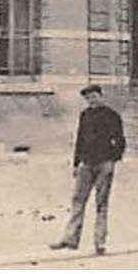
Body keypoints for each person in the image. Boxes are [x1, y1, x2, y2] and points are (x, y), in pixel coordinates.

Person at [49, 83, 126, 255]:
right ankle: (70, 239)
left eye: (94, 97)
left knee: (101, 204)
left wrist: (112, 159)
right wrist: (76, 163)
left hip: (104, 164)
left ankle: (100, 243)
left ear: (101, 96)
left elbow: (120, 141)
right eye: (88, 98)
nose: (91, 100)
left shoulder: (112, 115)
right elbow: (79, 140)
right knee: (77, 201)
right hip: (86, 164)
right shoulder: (85, 115)